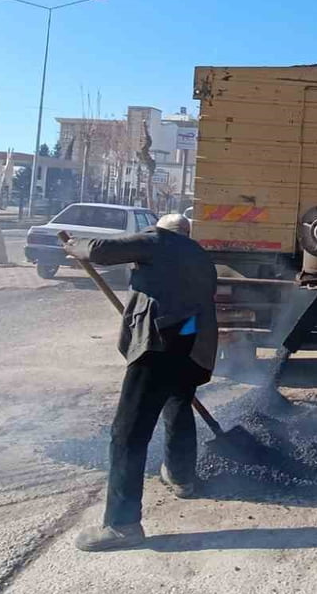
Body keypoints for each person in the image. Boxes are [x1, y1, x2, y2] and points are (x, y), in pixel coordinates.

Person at [63, 212, 219, 552]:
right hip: (192, 346)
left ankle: (122, 524)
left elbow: (101, 249)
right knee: (178, 404)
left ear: (159, 230)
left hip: (159, 347)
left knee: (128, 433)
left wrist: (74, 246)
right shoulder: (199, 255)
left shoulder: (158, 241)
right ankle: (182, 478)